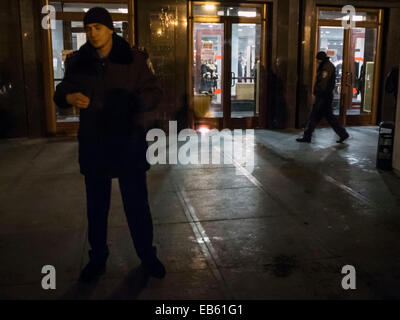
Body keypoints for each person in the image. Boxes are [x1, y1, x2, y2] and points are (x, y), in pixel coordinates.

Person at [53, 7, 165, 283]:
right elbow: (61, 90)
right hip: (95, 144)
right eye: (88, 28)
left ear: (111, 29)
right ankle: (98, 259)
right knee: (97, 207)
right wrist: (68, 97)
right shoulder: (78, 60)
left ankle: (147, 257)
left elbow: (153, 93)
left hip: (127, 142)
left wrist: (125, 105)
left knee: (137, 205)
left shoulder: (134, 59)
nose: (92, 33)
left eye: (98, 28)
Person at [297, 51, 349, 143]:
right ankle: (343, 134)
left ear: (320, 59)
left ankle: (307, 136)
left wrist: (318, 93)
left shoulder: (326, 67)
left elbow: (323, 83)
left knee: (314, 116)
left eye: (317, 60)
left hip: (323, 97)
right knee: (328, 117)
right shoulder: (326, 65)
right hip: (325, 97)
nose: (316, 61)